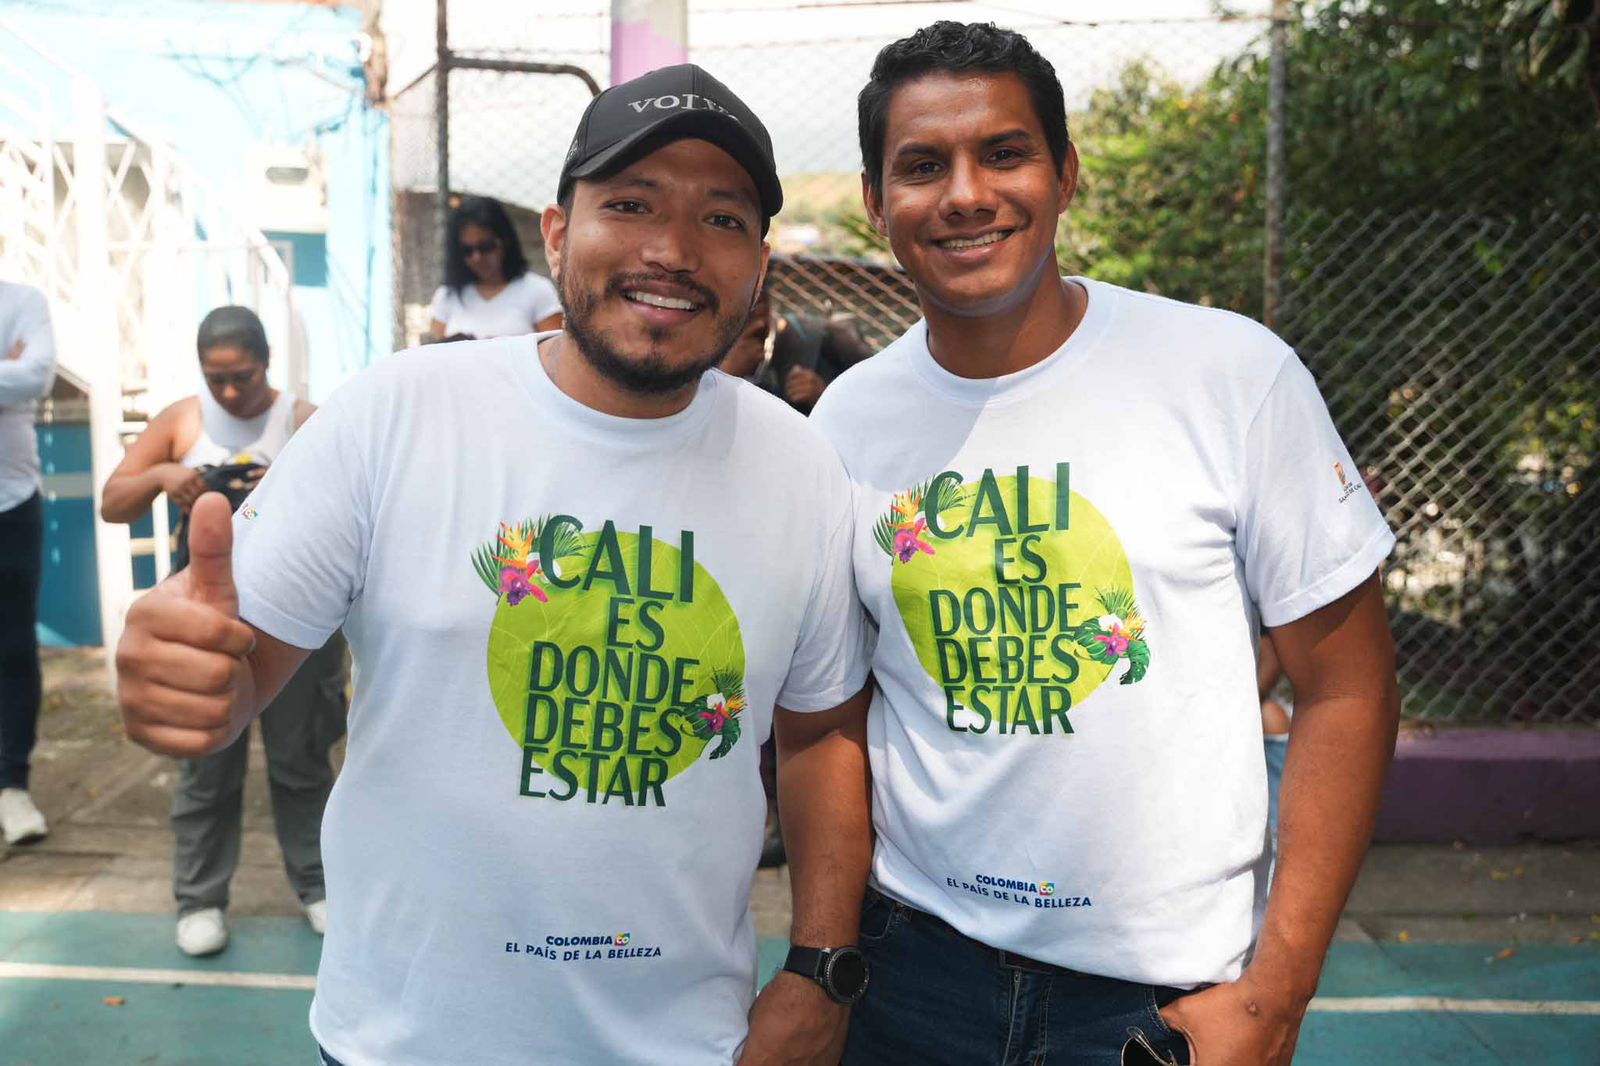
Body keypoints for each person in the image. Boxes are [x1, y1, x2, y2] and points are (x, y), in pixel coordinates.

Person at [116, 64, 874, 1066]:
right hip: (403, 1041)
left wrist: (820, 968)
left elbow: (822, 735)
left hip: (687, 1043)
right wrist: (187, 675)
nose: (672, 249)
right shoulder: (397, 414)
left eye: (721, 219)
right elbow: (240, 662)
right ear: (557, 234)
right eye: (630, 204)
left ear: (760, 267)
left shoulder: (801, 468)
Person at [810, 22, 1400, 1066]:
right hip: (913, 974)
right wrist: (830, 963)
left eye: (1004, 152)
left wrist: (1276, 993)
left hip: (1164, 992)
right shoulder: (846, 424)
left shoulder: (1228, 375)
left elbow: (1348, 687)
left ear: (1065, 173)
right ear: (874, 199)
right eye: (921, 165)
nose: (965, 194)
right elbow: (834, 714)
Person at [101, 306, 347, 957]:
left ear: (267, 363)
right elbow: (112, 502)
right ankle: (200, 899)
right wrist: (162, 476)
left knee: (302, 762)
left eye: (243, 377)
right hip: (203, 622)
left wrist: (289, 485)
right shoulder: (182, 420)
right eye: (217, 380)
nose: (231, 393)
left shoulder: (303, 420)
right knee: (205, 766)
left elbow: (356, 517)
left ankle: (318, 884)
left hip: (295, 622)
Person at [0, 280, 57, 846]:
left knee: (14, 650)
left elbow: (37, 376)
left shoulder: (21, 302)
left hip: (12, 502)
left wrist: (20, 375)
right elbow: (17, 378)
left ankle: (11, 786)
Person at [428, 195, 562, 340]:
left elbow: (554, 349)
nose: (477, 257)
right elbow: (436, 351)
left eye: (486, 247)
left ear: (505, 241)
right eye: (467, 250)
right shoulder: (447, 296)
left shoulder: (537, 291)